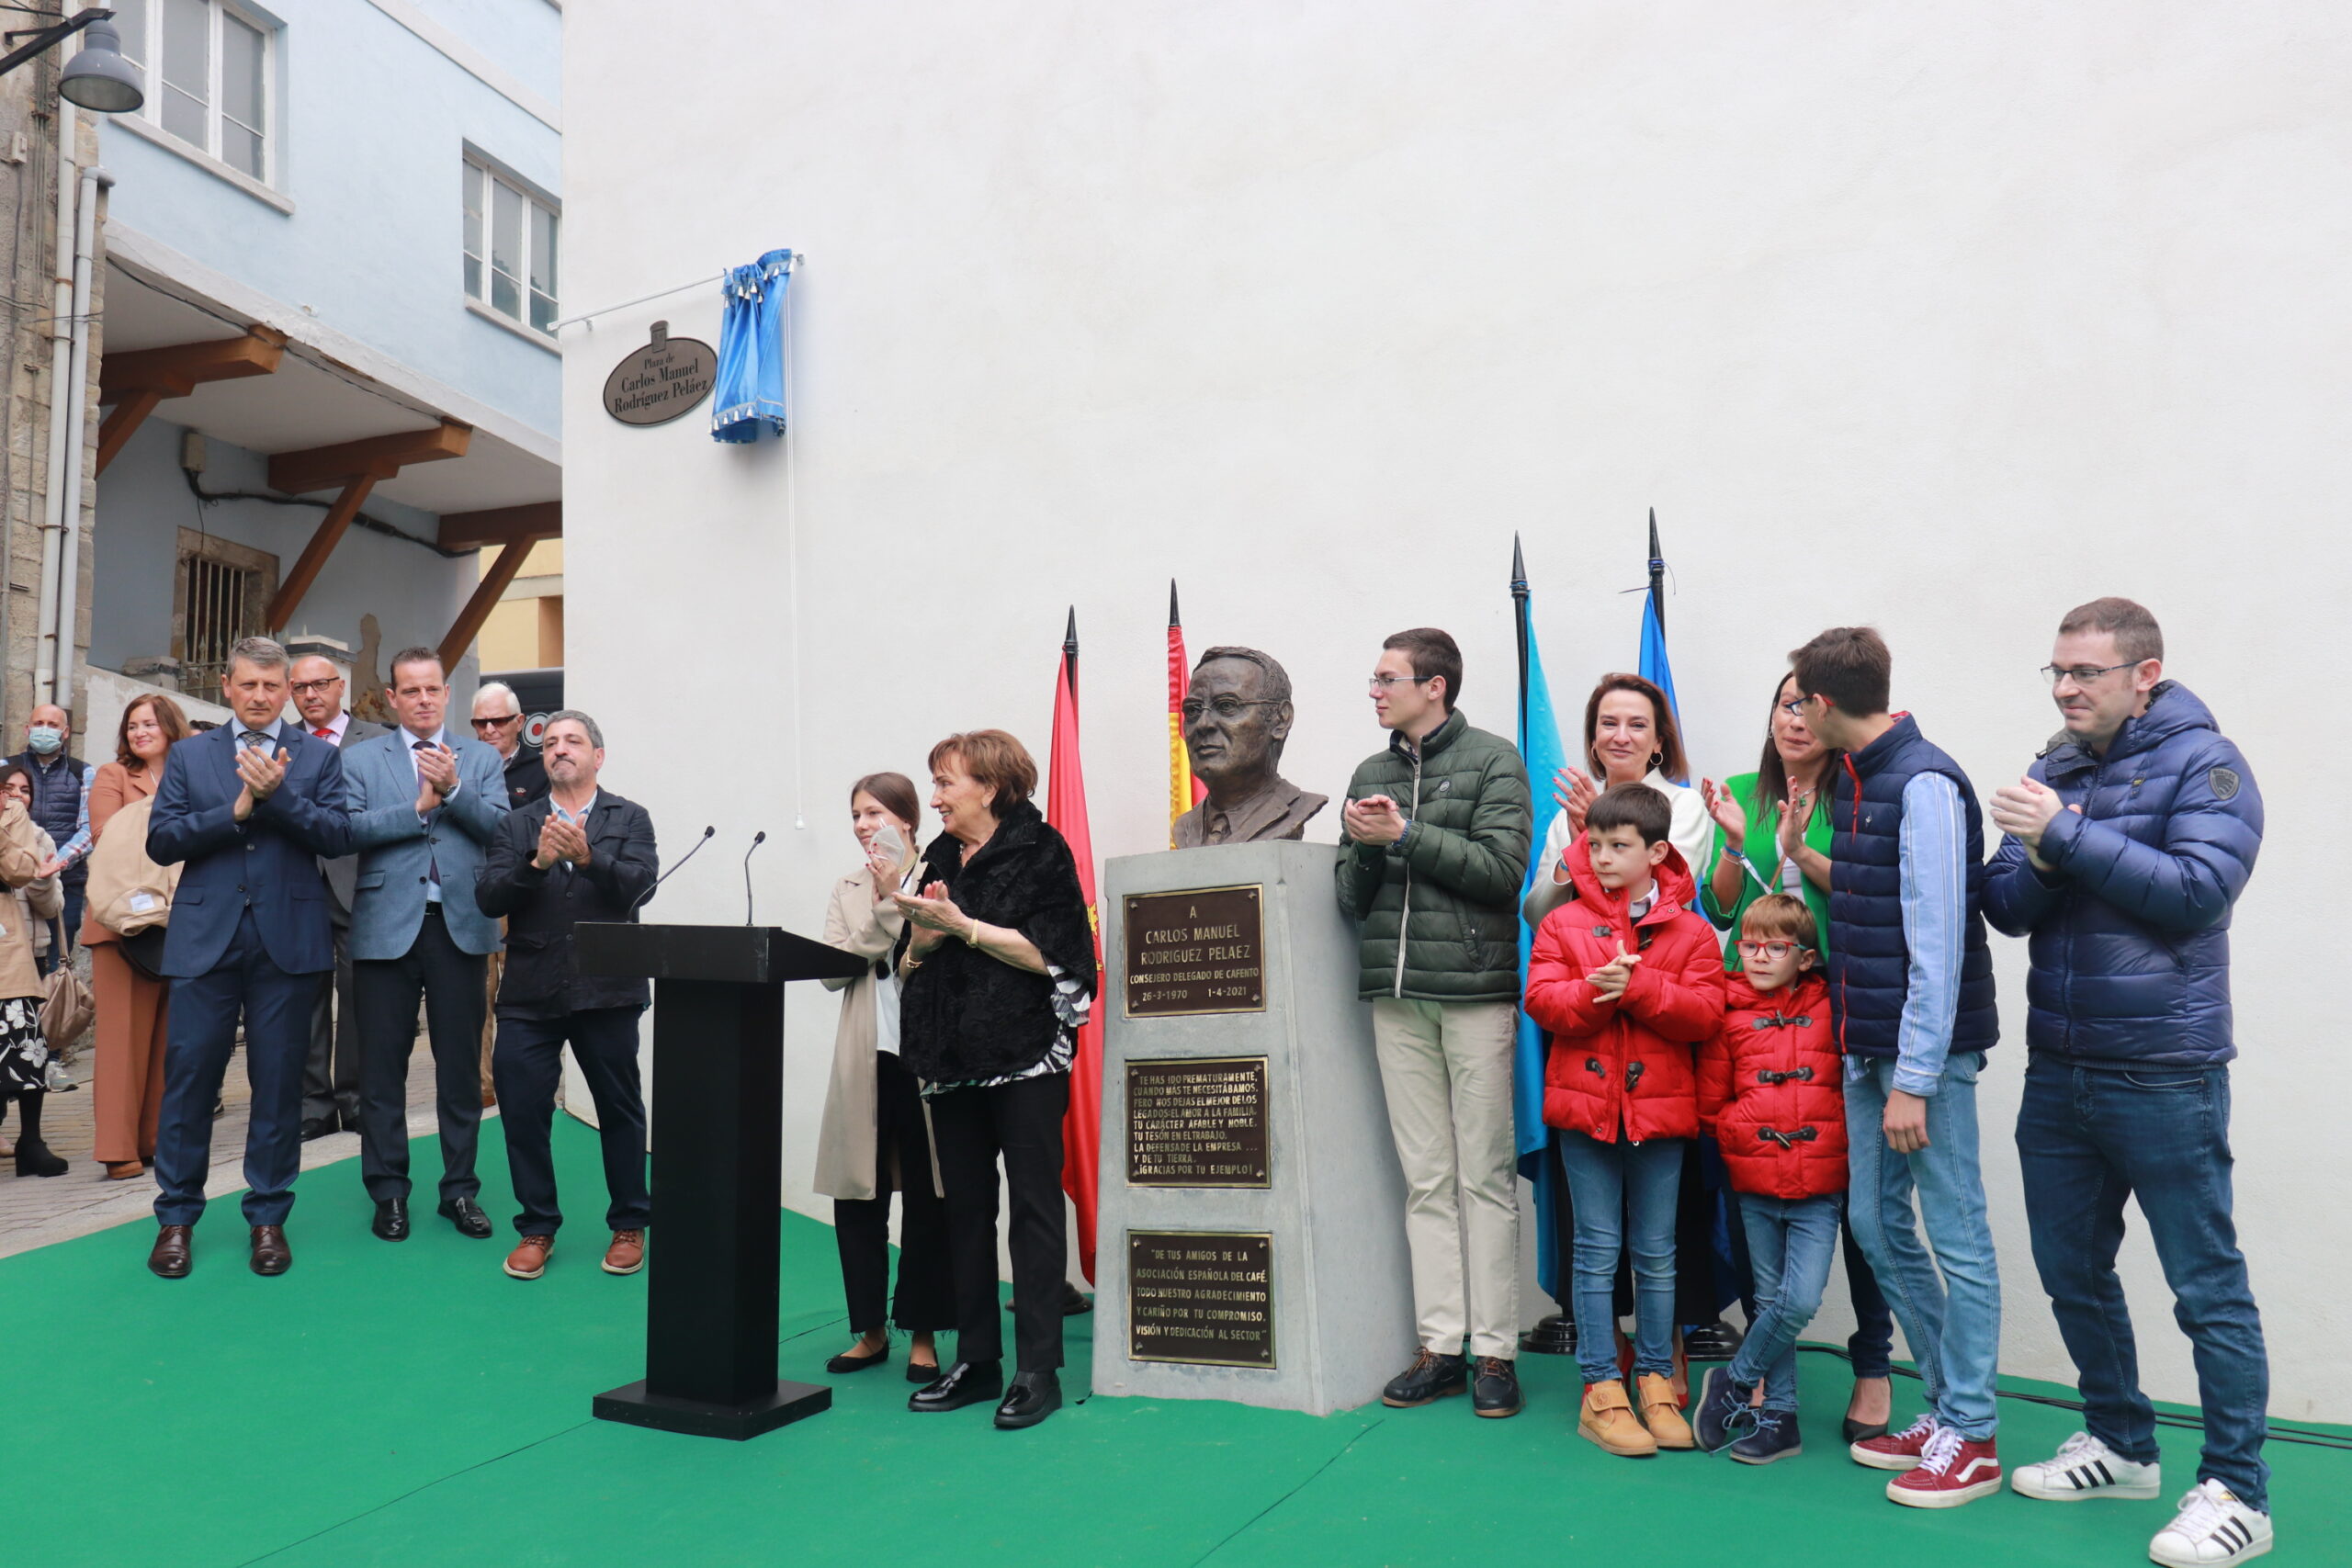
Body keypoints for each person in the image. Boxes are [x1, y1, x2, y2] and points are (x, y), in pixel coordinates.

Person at [1984, 599, 2273, 1567]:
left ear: (2144, 673)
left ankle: (2238, 1489)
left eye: (2086, 674)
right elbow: (2007, 909)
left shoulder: (2208, 765)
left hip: (2164, 1073)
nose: (2065, 689)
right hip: (2059, 1067)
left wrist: (2062, 836)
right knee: (2070, 1270)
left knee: (2206, 1289)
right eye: (2056, 672)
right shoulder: (2057, 763)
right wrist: (2037, 844)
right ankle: (2119, 1441)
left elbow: (2197, 893)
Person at [1789, 625, 2003, 1507]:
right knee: (1877, 1227)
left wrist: (1915, 1074)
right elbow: (1877, 901)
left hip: (1923, 1059)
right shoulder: (1858, 780)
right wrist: (1802, 852)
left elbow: (1939, 937)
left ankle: (1975, 1435)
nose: (1794, 713)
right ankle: (1949, 1405)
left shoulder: (1923, 783)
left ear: (1827, 703)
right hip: (1864, 1044)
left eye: (1800, 699)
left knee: (1957, 1236)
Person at [1334, 627, 1532, 1419]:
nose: (1376, 691)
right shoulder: (1370, 770)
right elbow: (1352, 897)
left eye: (1388, 677)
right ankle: (1441, 1346)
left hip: (1476, 993)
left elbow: (1501, 873)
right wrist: (1371, 848)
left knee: (1483, 1173)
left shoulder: (1493, 759)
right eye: (1375, 677)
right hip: (1396, 994)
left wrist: (1408, 834)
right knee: (1425, 1178)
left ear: (1435, 686)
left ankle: (1495, 1353)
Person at [1697, 671, 1895, 1443]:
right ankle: (1770, 1394)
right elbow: (1720, 905)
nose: (1797, 718)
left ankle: (1872, 1365)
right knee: (1763, 1191)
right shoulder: (1743, 788)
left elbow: (1870, 894)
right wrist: (1740, 846)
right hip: (1752, 1018)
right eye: (1785, 703)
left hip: (1843, 1006)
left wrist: (1793, 851)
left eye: (1811, 706)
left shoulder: (1859, 790)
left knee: (1858, 1205)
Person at [1526, 671, 1736, 1368]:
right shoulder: (1568, 816)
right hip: (1591, 1074)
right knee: (1596, 1241)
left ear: (1658, 739)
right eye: (1608, 723)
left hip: (1662, 1068)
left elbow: (1679, 890)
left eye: (1636, 724)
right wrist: (1578, 841)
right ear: (1592, 735)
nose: (1620, 735)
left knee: (1660, 1240)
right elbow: (1547, 916)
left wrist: (1640, 985)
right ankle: (1601, 1371)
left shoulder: (1684, 811)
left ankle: (1660, 1358)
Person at [893, 730, 1096, 1431]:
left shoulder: (1043, 851)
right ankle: (977, 1361)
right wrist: (924, 933)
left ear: (991, 785)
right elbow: (911, 957)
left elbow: (1058, 955)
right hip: (949, 1063)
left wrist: (964, 925)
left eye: (947, 782)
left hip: (1026, 1054)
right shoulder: (938, 857)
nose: (937, 797)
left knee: (1034, 1210)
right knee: (966, 1213)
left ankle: (1037, 1368)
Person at [144, 636, 354, 1279]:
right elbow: (161, 840)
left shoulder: (316, 756)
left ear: (288, 690)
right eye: (249, 685)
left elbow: (338, 834)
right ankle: (176, 1219)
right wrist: (235, 810)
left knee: (279, 1085)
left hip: (287, 942)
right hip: (205, 941)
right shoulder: (189, 755)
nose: (261, 697)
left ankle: (268, 1217)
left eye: (273, 686)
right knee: (190, 1082)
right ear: (227, 688)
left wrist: (279, 796)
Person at [474, 710, 657, 1280]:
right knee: (523, 1109)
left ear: (597, 756)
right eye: (551, 743)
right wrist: (539, 862)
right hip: (531, 990)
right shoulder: (518, 823)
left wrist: (587, 857)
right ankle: (536, 1226)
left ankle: (629, 1222)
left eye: (572, 741)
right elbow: (489, 895)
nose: (559, 750)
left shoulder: (629, 817)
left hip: (607, 989)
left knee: (619, 1108)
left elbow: (641, 886)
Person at [344, 648, 509, 1244]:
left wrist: (455, 789)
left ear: (447, 695)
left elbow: (502, 832)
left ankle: (459, 1190)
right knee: (382, 1069)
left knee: (461, 1069)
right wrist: (416, 809)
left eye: (431, 689)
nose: (421, 699)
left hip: (460, 926)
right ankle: (389, 1192)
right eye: (409, 690)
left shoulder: (481, 758)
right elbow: (346, 830)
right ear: (391, 697)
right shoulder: (361, 759)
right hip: (386, 927)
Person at [1691, 894, 1845, 1465]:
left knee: (1798, 1300)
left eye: (1774, 947)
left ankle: (1734, 1381)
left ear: (1804, 957)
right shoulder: (1727, 1013)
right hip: (1754, 1180)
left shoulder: (1832, 1006)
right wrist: (1743, 1132)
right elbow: (1712, 1103)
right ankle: (1780, 1416)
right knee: (1767, 1300)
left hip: (1819, 1182)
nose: (1758, 956)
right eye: (1749, 945)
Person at [814, 773, 952, 1379]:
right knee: (858, 1195)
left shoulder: (943, 873)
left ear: (908, 819)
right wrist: (887, 908)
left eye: (875, 812)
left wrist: (902, 896)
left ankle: (922, 1333)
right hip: (863, 1056)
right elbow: (832, 969)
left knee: (929, 1195)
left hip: (926, 1060)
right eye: (856, 814)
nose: (864, 824)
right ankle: (868, 1329)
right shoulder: (847, 887)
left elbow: (949, 949)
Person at [84, 694, 189, 1180]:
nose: (140, 732)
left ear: (171, 726)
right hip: (120, 924)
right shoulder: (112, 776)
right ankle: (117, 1146)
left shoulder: (192, 772)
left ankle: (152, 1139)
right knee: (122, 1037)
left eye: (149, 723)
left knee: (168, 1039)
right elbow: (106, 835)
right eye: (132, 726)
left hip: (181, 920)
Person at [288, 655, 387, 1139]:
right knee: (306, 998)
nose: (311, 695)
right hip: (299, 887)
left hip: (357, 885)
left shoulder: (378, 740)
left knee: (357, 999)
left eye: (320, 685)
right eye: (301, 687)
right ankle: (313, 1105)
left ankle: (355, 1099)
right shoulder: (280, 745)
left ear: (340, 686)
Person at [470, 680, 546, 1111]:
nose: (489, 729)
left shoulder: (540, 770)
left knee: (524, 996)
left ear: (519, 722)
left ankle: (528, 1080)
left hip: (527, 897)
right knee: (480, 996)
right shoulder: (461, 764)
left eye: (498, 720)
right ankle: (483, 1086)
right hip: (481, 893)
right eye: (480, 721)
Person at [0, 764, 65, 1176]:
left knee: (25, 1044)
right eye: (9, 789)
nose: (16, 796)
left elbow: (18, 870)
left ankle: (31, 1141)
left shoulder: (16, 819)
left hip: (10, 947)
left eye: (22, 791)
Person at [11, 702, 90, 962]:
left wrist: (54, 862)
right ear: (27, 729)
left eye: (53, 725)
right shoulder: (7, 768)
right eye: (39, 724)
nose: (44, 730)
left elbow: (89, 829)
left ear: (65, 732)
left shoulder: (83, 773)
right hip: (13, 880)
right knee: (14, 956)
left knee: (58, 960)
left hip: (66, 881)